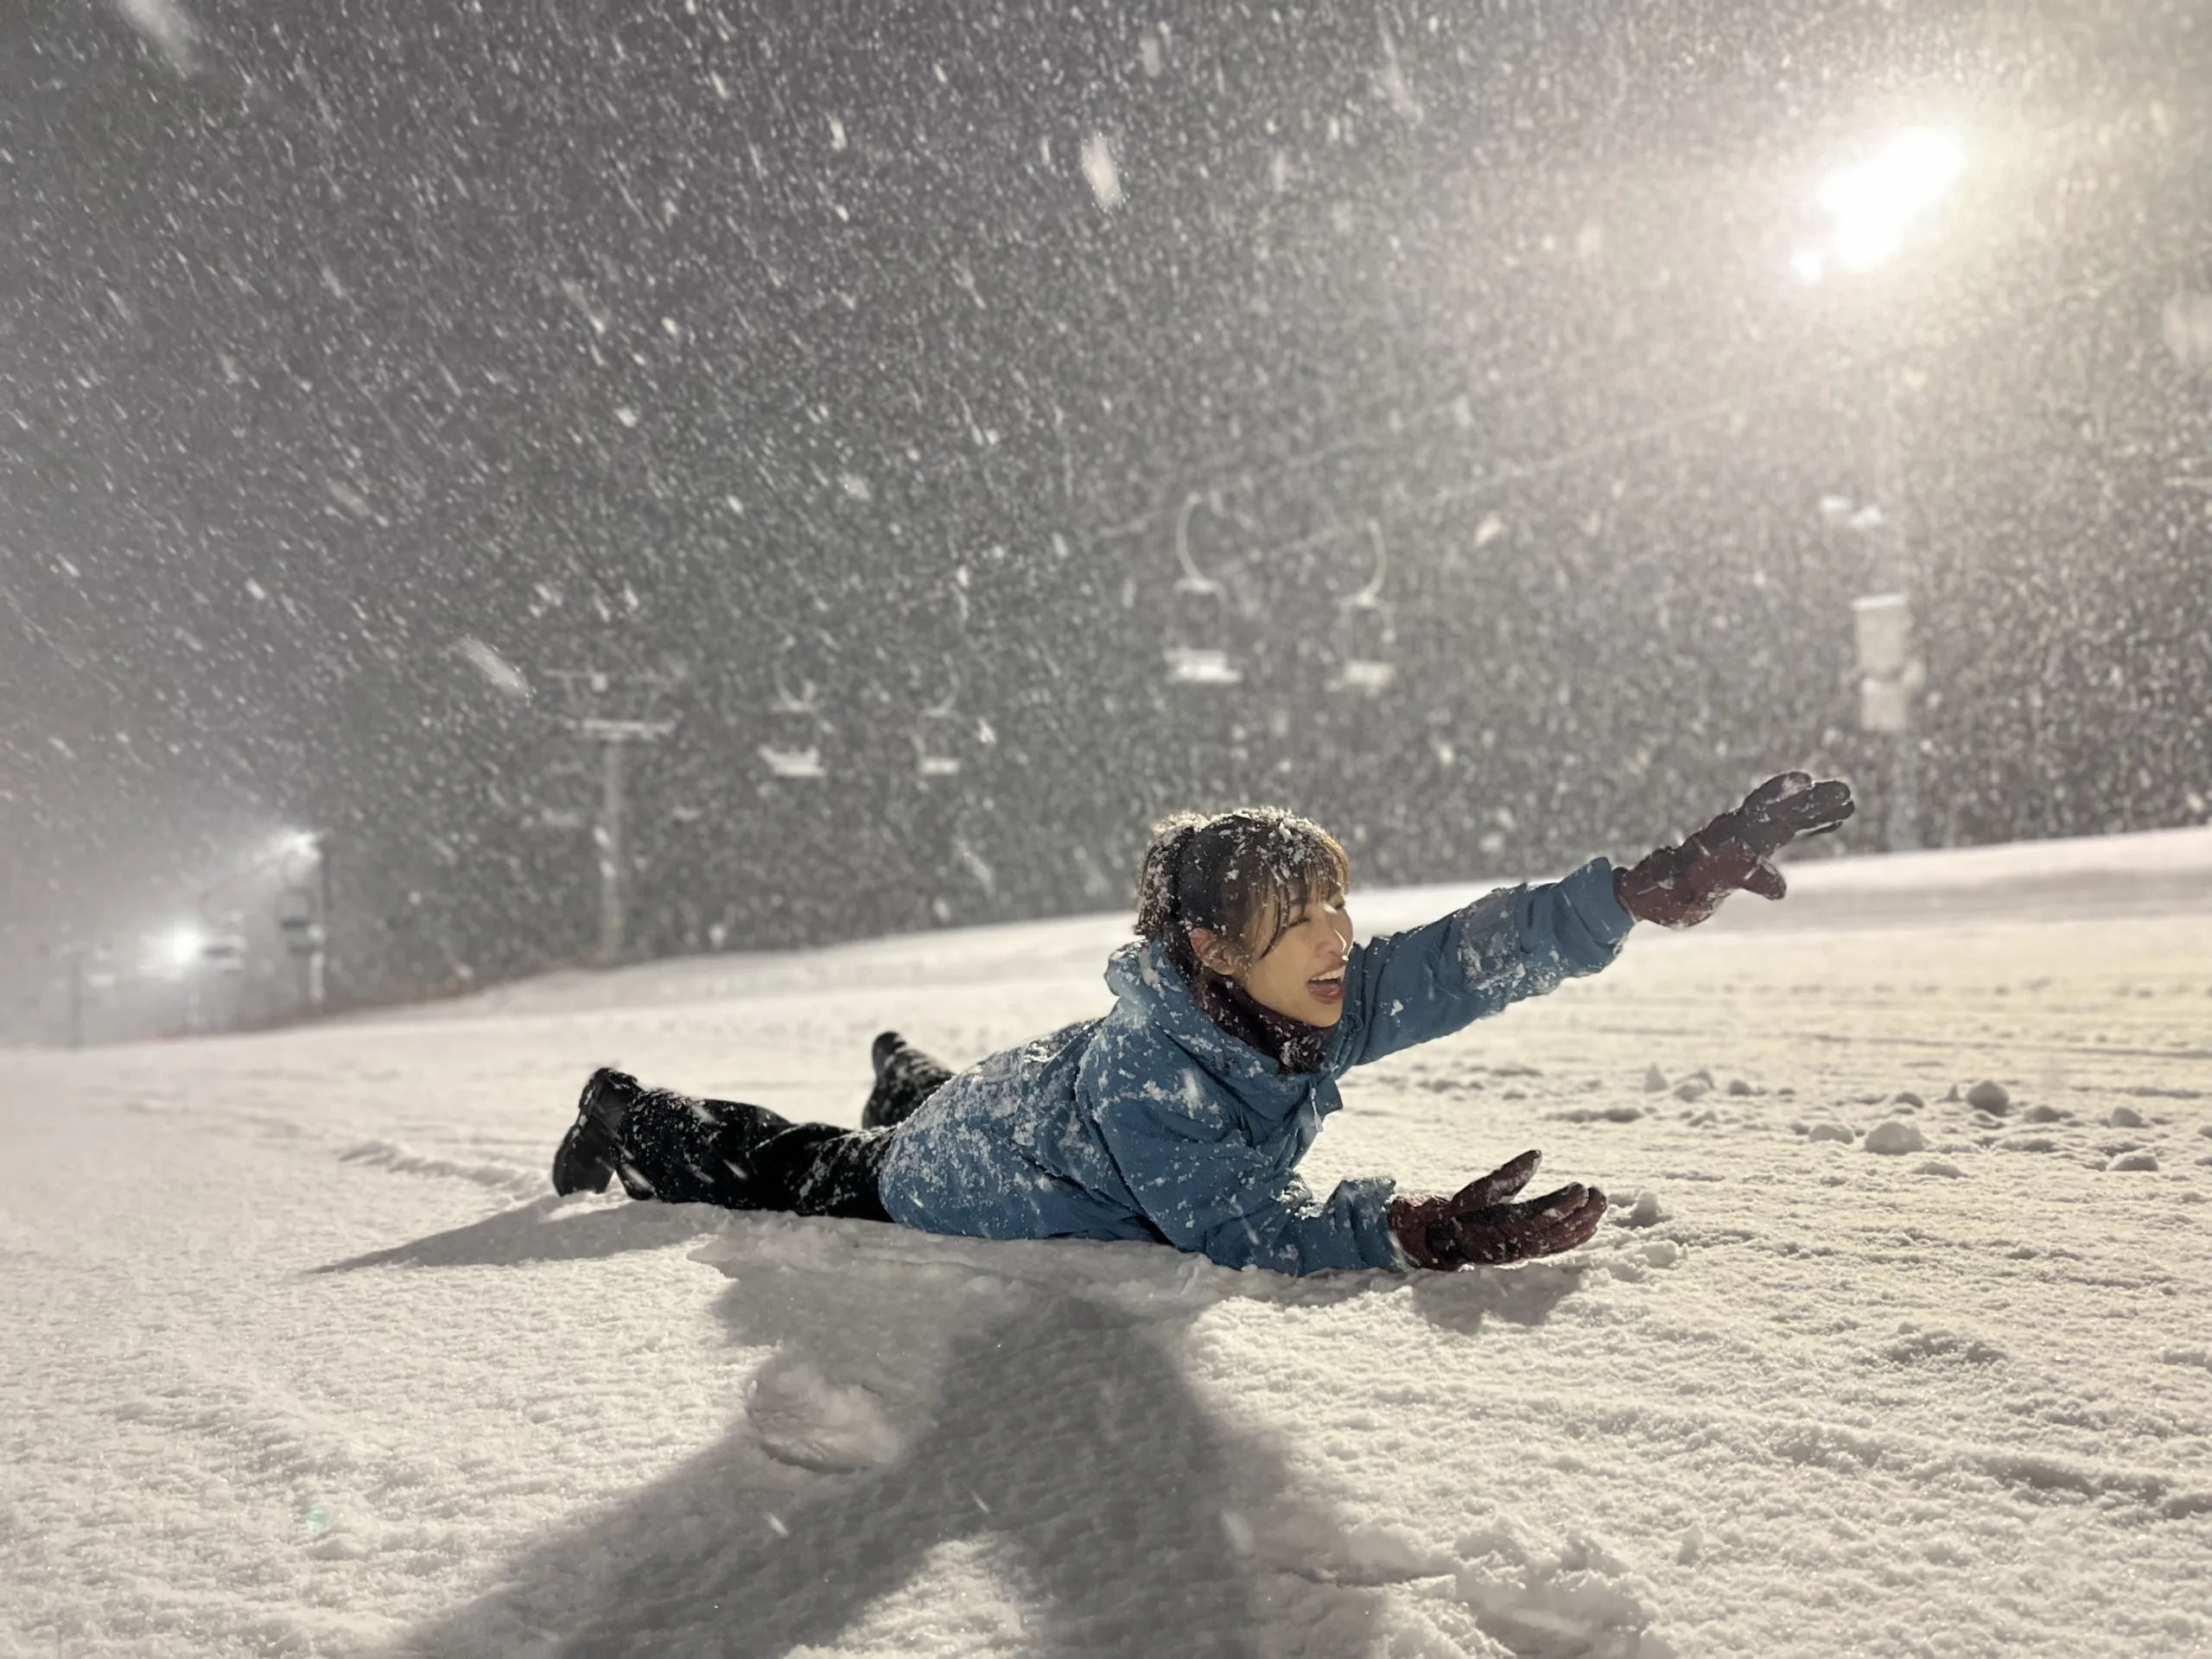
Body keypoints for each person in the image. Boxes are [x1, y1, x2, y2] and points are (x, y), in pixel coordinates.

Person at [550, 772, 1852, 1276]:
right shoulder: (1150, 1083)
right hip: (949, 1174)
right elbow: (1239, 1227)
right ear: (1212, 951)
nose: (1339, 940)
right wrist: (1407, 1230)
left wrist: (1632, 896)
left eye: (1338, 905)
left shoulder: (1308, 1000)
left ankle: (906, 1070)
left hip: (1032, 1097)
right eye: (1301, 920)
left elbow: (1465, 959)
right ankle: (628, 1111)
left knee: (958, 1085)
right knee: (801, 1163)